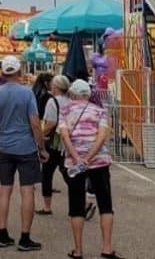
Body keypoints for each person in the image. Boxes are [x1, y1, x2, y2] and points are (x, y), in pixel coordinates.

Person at [0, 55, 47, 251]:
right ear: (19, 71)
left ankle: (2, 234)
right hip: (26, 147)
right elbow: (35, 123)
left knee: (5, 189)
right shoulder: (27, 93)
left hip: (5, 146)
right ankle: (25, 237)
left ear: (3, 73)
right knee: (27, 190)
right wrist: (41, 148)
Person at [59, 79, 122, 259]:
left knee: (76, 206)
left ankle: (78, 251)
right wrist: (89, 158)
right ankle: (107, 249)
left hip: (74, 164)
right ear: (87, 94)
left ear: (73, 94)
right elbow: (102, 136)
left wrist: (78, 159)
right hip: (99, 161)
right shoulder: (100, 111)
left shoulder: (65, 111)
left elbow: (64, 135)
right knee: (105, 204)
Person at [39, 74, 74, 217]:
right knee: (66, 171)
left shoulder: (52, 102)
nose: (51, 87)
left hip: (54, 141)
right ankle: (81, 200)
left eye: (53, 85)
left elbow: (50, 123)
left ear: (57, 87)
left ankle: (47, 206)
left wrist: (39, 135)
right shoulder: (72, 101)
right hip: (68, 141)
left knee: (47, 173)